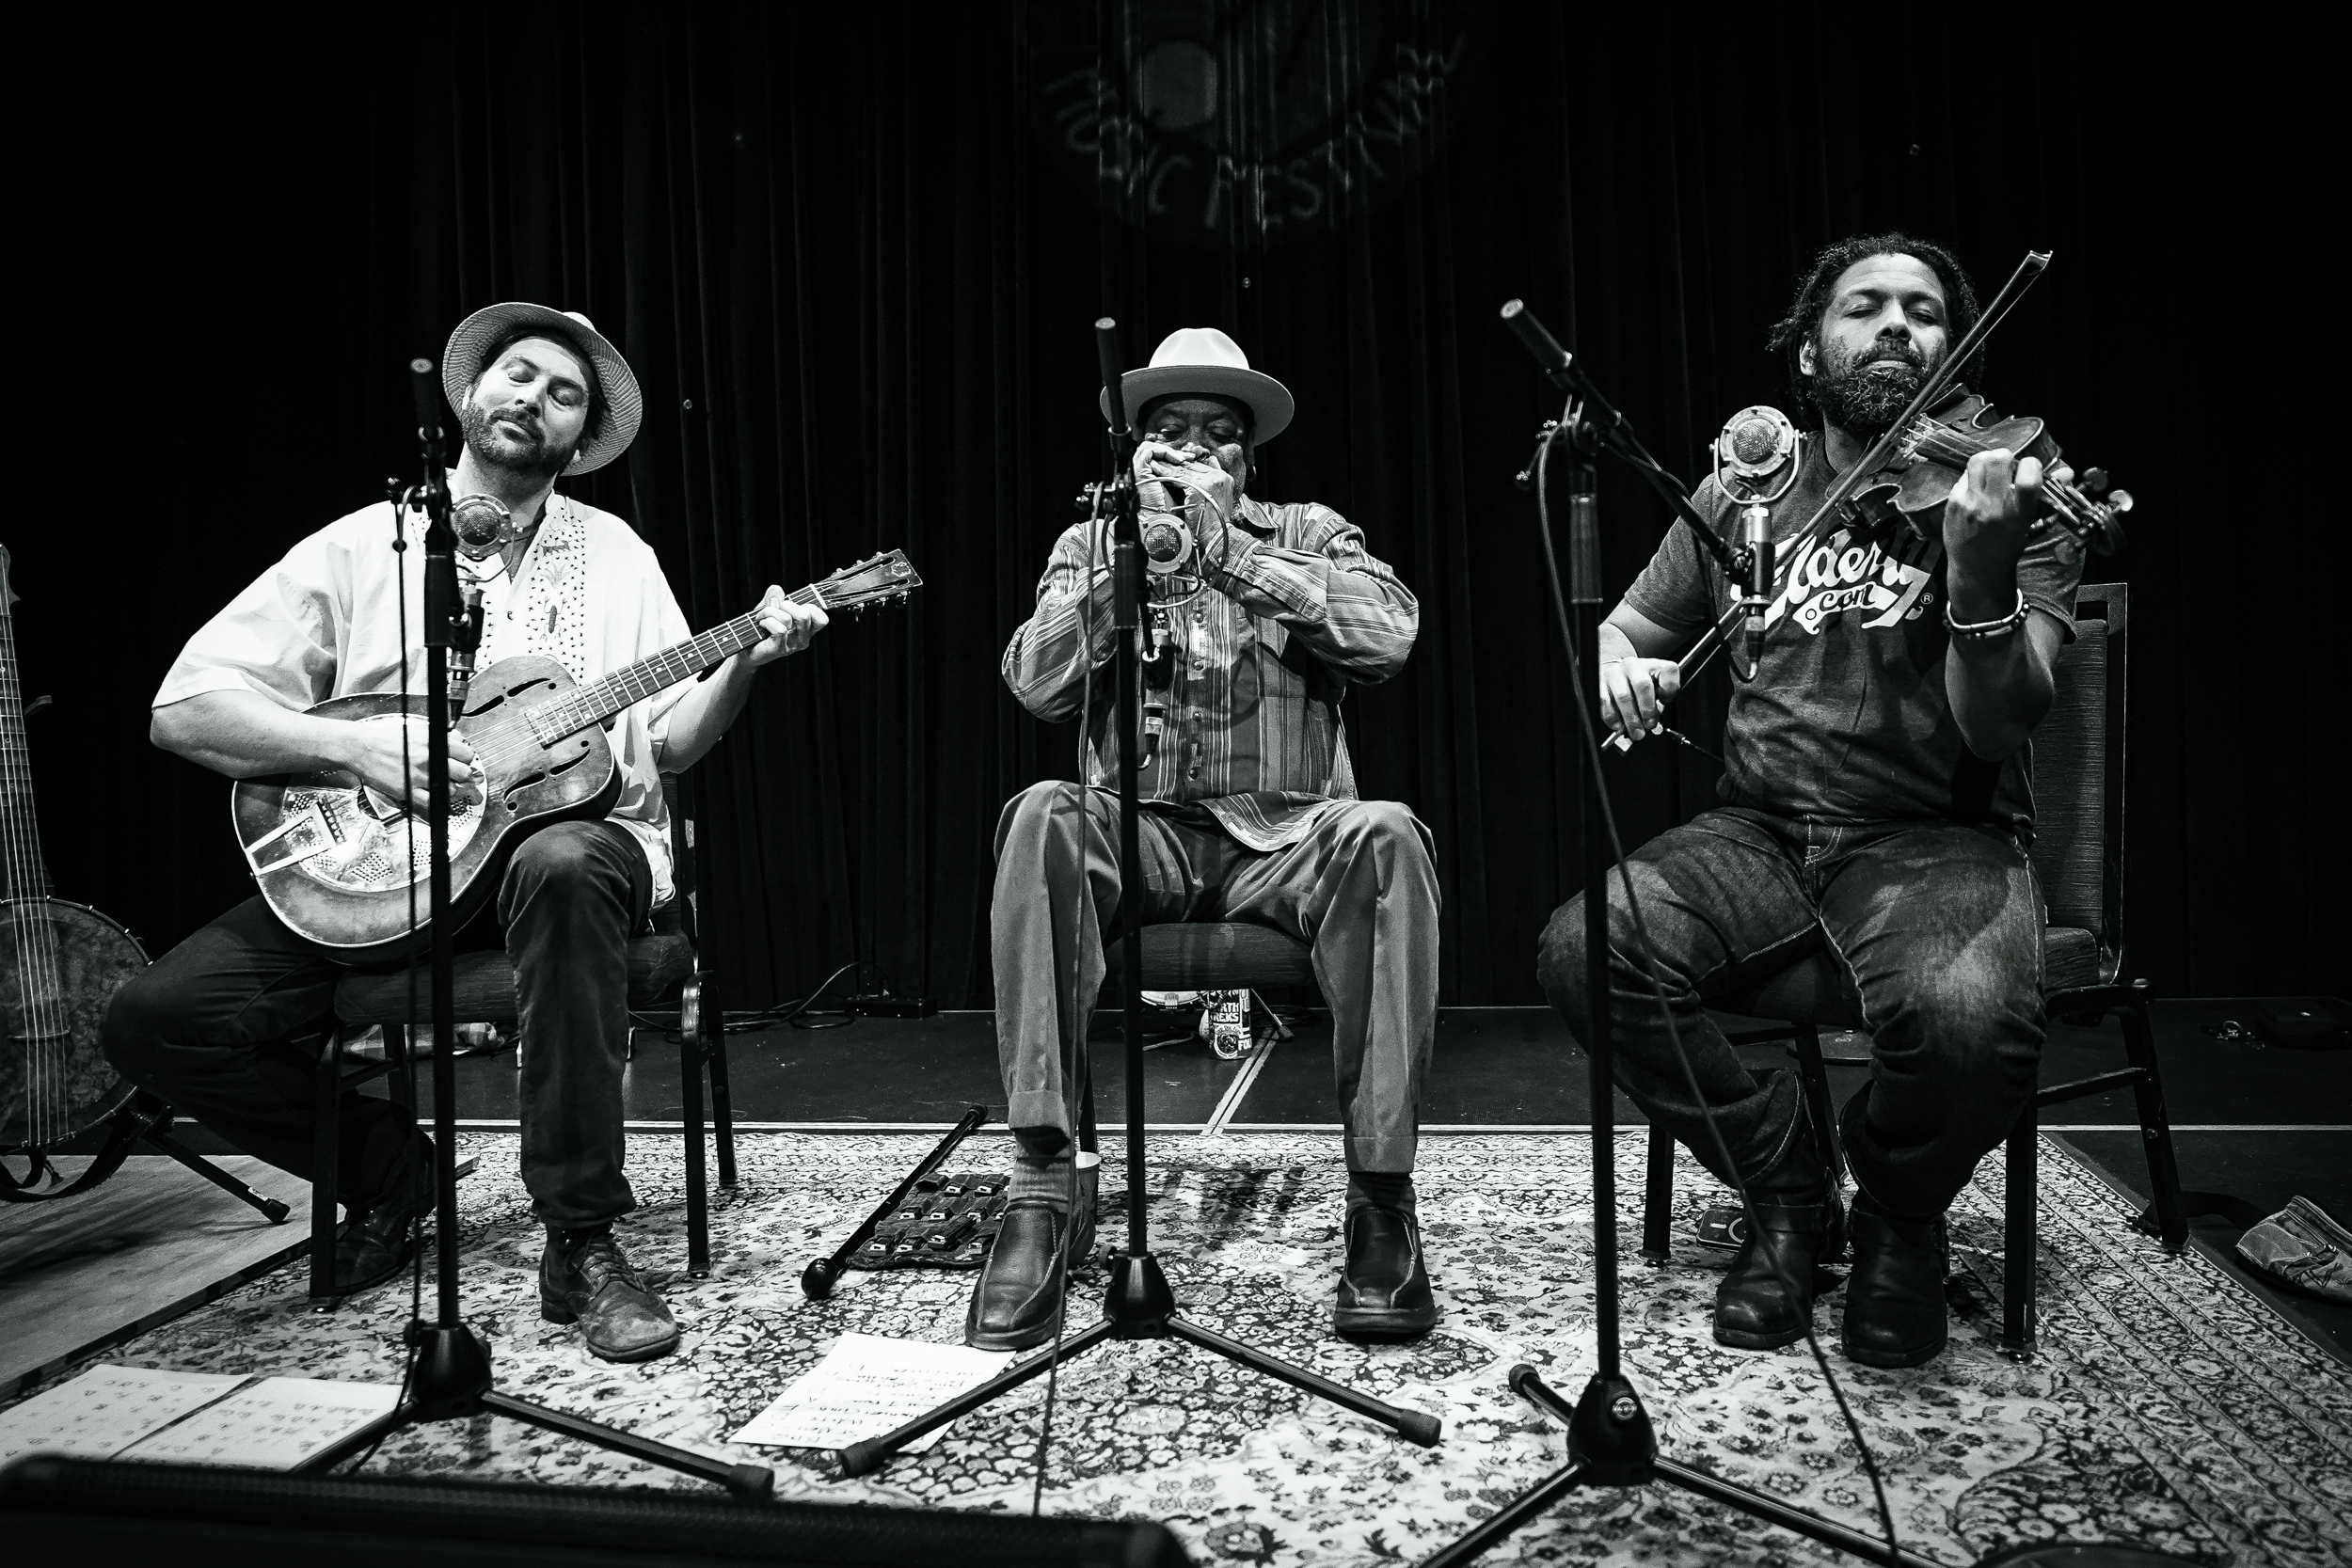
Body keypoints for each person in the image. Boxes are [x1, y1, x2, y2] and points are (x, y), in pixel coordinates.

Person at [103, 304, 828, 1363]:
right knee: (151, 1021)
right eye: (517, 375)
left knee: (564, 856)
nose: (533, 397)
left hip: (574, 852)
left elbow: (666, 744)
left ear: (580, 441)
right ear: (471, 397)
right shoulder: (367, 542)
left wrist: (745, 664)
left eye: (563, 392)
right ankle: (390, 1170)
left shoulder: (617, 552)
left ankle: (580, 1236)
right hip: (381, 873)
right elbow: (185, 706)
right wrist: (356, 754)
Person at [1537, 234, 2085, 1368]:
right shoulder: (1752, 483)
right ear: (1807, 351)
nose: (1895, 325)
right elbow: (1630, 628)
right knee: (1586, 946)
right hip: (1760, 829)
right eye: (1864, 306)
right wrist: (1618, 661)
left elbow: (1998, 724)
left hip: (1937, 833)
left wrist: (1977, 575)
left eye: (1924, 311)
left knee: (1973, 1019)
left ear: (1953, 349)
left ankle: (1898, 1213)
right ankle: (1790, 1189)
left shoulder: (2004, 486)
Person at [972, 326, 1441, 1350]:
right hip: (1143, 833)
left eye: (1216, 434)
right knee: (1041, 811)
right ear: (1133, 449)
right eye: (1168, 430)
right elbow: (1036, 682)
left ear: (1247, 456)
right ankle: (1041, 1191)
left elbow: (1390, 633)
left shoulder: (1308, 528)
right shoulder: (1092, 541)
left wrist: (1234, 554)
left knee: (1391, 834)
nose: (1192, 448)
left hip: (1289, 833)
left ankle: (1381, 1202)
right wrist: (1124, 570)